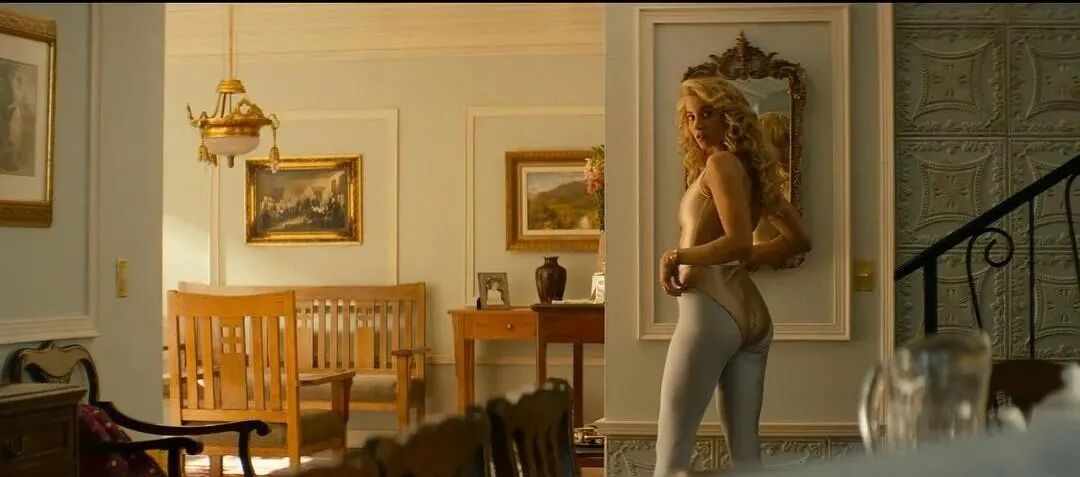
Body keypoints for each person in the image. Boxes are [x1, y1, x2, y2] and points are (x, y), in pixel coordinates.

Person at [654, 75, 812, 475]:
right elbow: (798, 239)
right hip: (750, 315)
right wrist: (746, 259)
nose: (697, 125)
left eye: (707, 113)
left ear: (730, 115)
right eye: (691, 117)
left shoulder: (720, 164)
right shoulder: (754, 171)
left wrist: (677, 256)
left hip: (710, 313)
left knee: (670, 455)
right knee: (746, 460)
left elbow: (738, 242)